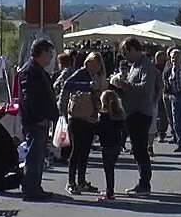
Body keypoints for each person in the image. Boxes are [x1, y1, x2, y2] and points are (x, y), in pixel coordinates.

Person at [112, 37, 158, 195]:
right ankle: (143, 182)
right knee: (137, 150)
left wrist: (124, 84)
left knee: (140, 150)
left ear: (133, 49)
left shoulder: (146, 66)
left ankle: (145, 184)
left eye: (126, 52)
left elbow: (145, 88)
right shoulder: (135, 66)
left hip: (140, 113)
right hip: (132, 112)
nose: (125, 57)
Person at [17, 38, 58, 201]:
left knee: (39, 155)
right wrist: (38, 118)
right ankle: (30, 189)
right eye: (49, 53)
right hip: (35, 121)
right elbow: (30, 99)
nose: (51, 57)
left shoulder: (37, 69)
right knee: (34, 155)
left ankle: (35, 186)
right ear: (41, 52)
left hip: (40, 119)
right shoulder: (30, 70)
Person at [61, 52, 106, 195]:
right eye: (93, 64)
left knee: (85, 150)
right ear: (87, 63)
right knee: (76, 149)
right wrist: (87, 85)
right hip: (77, 116)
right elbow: (67, 84)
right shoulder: (82, 73)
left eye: (98, 65)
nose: (95, 67)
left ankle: (81, 181)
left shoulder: (98, 76)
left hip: (90, 117)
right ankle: (71, 182)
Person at [96, 89, 126, 201]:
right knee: (111, 168)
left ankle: (110, 192)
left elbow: (98, 130)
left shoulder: (103, 117)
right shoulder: (120, 115)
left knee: (108, 169)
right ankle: (110, 190)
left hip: (107, 145)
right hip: (116, 144)